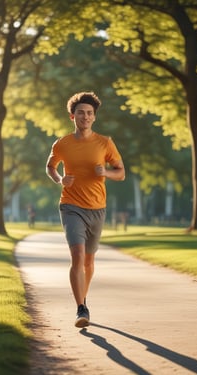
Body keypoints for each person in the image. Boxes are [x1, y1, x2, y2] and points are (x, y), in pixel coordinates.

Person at [46, 91, 125, 328]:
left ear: (94, 117)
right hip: (70, 206)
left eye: (90, 113)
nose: (85, 117)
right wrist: (60, 179)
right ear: (73, 116)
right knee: (78, 256)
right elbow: (50, 166)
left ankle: (83, 298)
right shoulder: (62, 143)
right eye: (81, 113)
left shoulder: (105, 143)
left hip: (97, 208)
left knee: (89, 261)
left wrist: (107, 173)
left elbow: (121, 173)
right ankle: (81, 308)